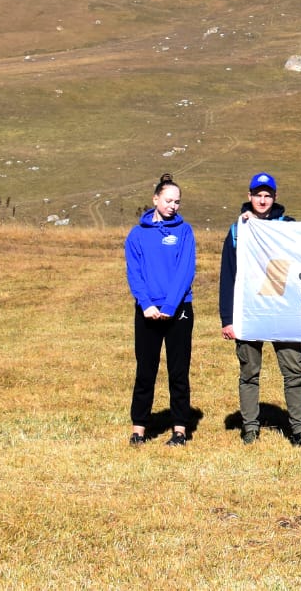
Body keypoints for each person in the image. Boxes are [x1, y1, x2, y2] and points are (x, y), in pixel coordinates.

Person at [217, 172, 301, 447]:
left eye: (267, 195)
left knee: (293, 371)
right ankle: (250, 428)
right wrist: (228, 319)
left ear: (274, 197)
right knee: (249, 371)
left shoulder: (288, 226)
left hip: (283, 310)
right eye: (257, 195)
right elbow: (228, 275)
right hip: (249, 310)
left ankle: (299, 431)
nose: (262, 200)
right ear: (249, 196)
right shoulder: (237, 230)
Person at [125, 173, 196, 446]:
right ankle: (139, 429)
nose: (173, 206)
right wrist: (147, 305)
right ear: (155, 199)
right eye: (168, 200)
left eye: (177, 202)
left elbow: (185, 271)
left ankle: (179, 430)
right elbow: (135, 273)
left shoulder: (184, 231)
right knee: (145, 370)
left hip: (179, 311)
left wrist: (169, 306)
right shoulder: (137, 234)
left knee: (178, 371)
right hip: (147, 312)